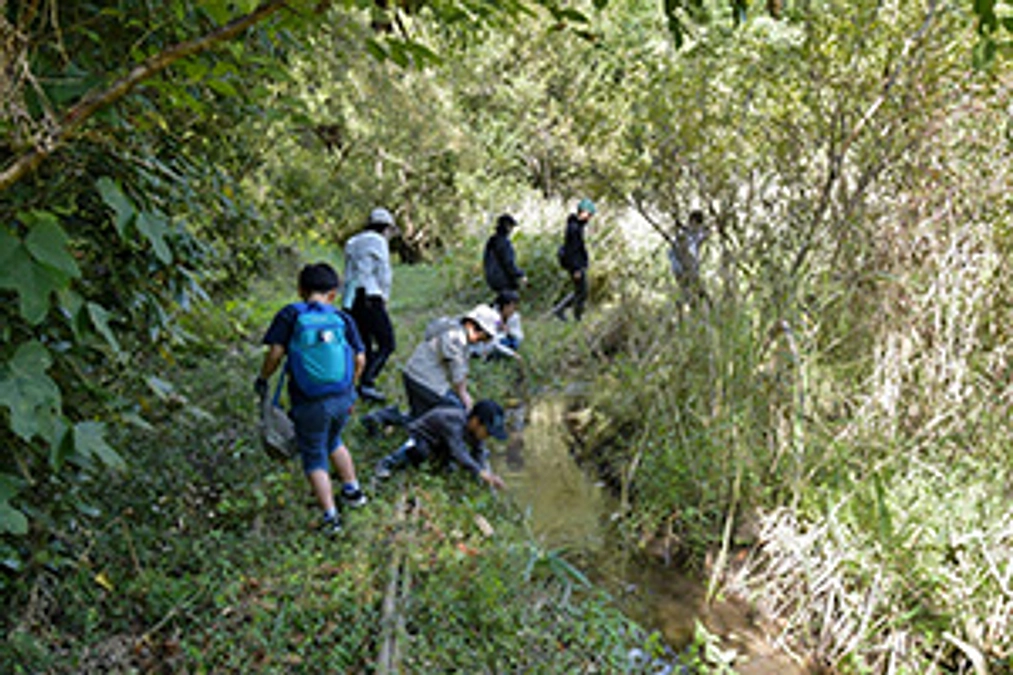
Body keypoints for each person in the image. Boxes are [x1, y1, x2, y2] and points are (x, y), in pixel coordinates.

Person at [255, 262, 367, 535]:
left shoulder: (290, 315)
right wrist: (351, 389)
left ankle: (331, 517)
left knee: (314, 454)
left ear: (300, 289)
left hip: (309, 401)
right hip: (342, 397)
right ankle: (353, 492)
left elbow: (275, 354)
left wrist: (263, 378)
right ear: (333, 293)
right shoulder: (343, 318)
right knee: (335, 441)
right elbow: (360, 358)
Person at [361, 304, 500, 433]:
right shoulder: (455, 338)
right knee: (456, 412)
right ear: (470, 324)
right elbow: (457, 374)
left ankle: (383, 416)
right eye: (481, 334)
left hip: (414, 375)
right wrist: (465, 398)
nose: (480, 340)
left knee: (420, 418)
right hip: (425, 381)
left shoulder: (451, 327)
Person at [374, 399, 508, 490]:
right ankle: (387, 463)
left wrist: (486, 479)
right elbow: (459, 452)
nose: (487, 436)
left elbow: (478, 453)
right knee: (418, 450)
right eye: (488, 432)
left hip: (440, 446)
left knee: (449, 469)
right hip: (420, 437)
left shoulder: (476, 433)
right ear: (475, 421)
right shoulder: (453, 422)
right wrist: (480, 472)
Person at [343, 207, 399, 404]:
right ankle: (367, 382)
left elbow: (348, 273)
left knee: (362, 345)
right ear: (386, 228)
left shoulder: (352, 241)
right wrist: (384, 297)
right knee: (387, 343)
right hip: (370, 295)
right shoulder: (378, 241)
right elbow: (384, 273)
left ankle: (354, 385)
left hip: (351, 299)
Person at [554, 198, 595, 321]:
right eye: (589, 214)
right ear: (582, 212)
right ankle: (571, 314)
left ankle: (564, 311)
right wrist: (576, 268)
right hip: (575, 265)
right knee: (581, 292)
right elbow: (572, 250)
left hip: (577, 264)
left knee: (580, 291)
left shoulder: (577, 226)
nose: (590, 218)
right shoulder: (574, 228)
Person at [470, 290, 523, 361]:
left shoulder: (514, 317)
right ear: (504, 306)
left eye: (515, 306)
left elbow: (519, 335)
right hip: (485, 344)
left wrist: (509, 331)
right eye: (511, 306)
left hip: (502, 340)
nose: (513, 310)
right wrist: (512, 354)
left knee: (514, 342)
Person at [483, 213, 526, 293]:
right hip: (504, 281)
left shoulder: (491, 241)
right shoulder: (504, 242)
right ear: (507, 226)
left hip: (493, 281)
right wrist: (520, 274)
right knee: (510, 301)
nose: (512, 230)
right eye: (511, 226)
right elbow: (508, 263)